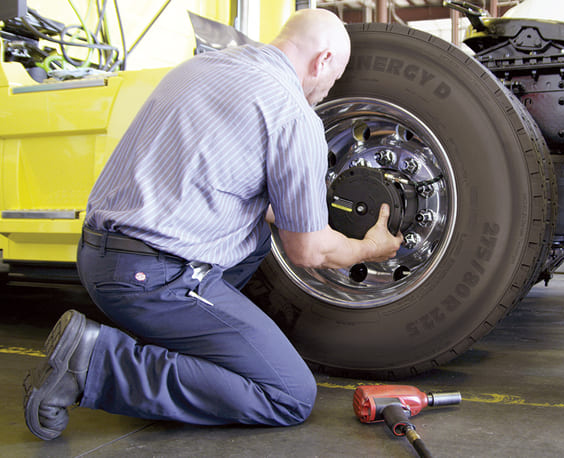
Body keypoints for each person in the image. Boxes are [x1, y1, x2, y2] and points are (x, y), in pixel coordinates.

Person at [23, 8, 402, 440]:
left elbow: (220, 183)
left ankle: (179, 345)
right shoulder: (293, 113)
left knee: (260, 236)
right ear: (324, 60)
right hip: (151, 278)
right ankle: (97, 364)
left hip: (98, 257)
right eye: (333, 79)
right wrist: (371, 248)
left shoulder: (202, 66)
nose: (325, 91)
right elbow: (308, 251)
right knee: (289, 394)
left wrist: (302, 209)